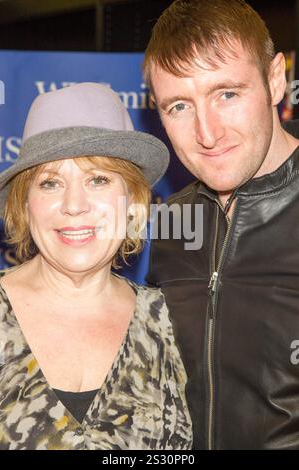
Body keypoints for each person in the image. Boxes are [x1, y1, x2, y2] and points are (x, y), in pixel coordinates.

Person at [0, 82, 193, 450]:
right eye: (51, 183)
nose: (75, 204)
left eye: (98, 179)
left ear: (133, 200)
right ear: (25, 205)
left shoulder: (174, 323)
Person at [144, 0, 299, 450]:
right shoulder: (175, 217)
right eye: (178, 107)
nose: (207, 134)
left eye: (226, 94)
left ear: (275, 80)